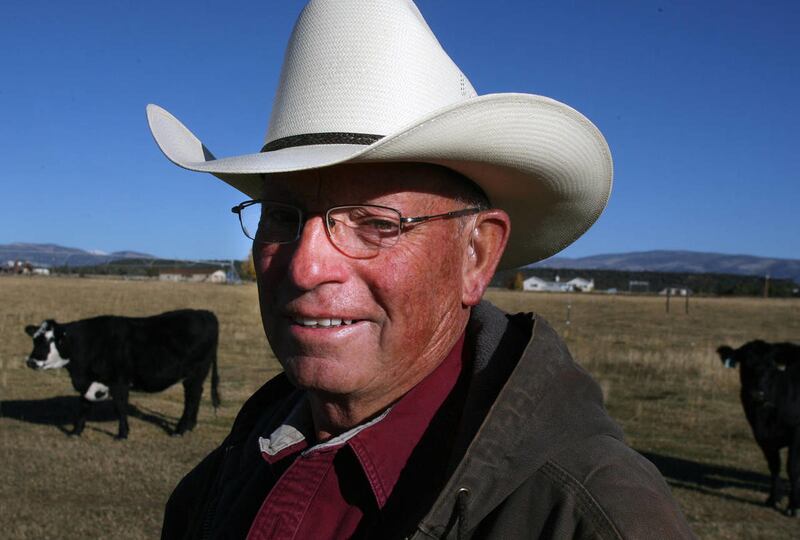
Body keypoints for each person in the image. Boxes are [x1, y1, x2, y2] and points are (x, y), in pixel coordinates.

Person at [149, 1, 694, 538]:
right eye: (280, 218)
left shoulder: (587, 518)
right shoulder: (237, 464)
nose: (305, 265)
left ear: (475, 255)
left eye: (374, 222)